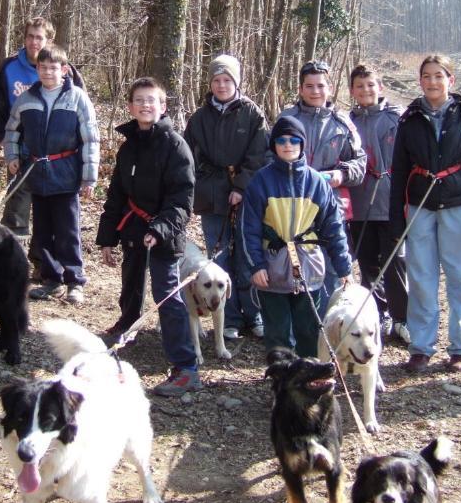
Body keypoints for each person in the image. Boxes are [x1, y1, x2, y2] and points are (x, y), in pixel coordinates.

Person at [96, 77, 198, 397]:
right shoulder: (128, 147)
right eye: (139, 100)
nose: (145, 105)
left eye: (151, 100)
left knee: (167, 295)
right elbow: (116, 195)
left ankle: (186, 367)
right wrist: (107, 237)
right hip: (133, 228)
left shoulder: (175, 146)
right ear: (130, 107)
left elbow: (182, 200)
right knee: (131, 281)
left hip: (165, 234)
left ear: (162, 106)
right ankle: (127, 325)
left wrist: (160, 229)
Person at [389, 55, 461, 373]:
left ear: (451, 80)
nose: (432, 82)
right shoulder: (409, 120)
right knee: (421, 278)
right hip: (420, 206)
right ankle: (421, 347)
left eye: (438, 76)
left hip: (459, 205)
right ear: (420, 81)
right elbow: (400, 171)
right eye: (426, 76)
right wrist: (397, 218)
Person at [0, 17, 84, 279]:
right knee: (16, 211)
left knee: (50, 215)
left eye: (40, 37)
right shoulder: (9, 67)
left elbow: (81, 113)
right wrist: (0, 138)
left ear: (49, 40)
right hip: (22, 152)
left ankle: (43, 266)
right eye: (30, 36)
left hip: (57, 158)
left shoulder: (64, 69)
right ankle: (8, 265)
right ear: (24, 38)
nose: (34, 42)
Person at [240, 115, 353, 357]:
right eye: (281, 140)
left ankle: (310, 378)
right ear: (274, 145)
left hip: (308, 268)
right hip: (272, 268)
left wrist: (344, 268)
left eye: (293, 140)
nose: (287, 145)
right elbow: (248, 229)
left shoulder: (316, 182)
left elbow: (333, 227)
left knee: (309, 328)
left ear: (302, 144)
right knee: (277, 331)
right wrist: (256, 266)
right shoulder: (261, 181)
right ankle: (282, 380)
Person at [3, 45, 99, 305]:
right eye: (42, 67)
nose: (47, 72)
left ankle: (74, 281)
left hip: (66, 174)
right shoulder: (27, 98)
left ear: (64, 70)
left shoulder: (77, 97)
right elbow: (12, 131)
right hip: (37, 174)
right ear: (37, 69)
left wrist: (89, 178)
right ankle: (51, 279)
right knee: (43, 231)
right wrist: (12, 157)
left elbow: (90, 138)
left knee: (68, 231)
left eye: (53, 68)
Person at [184, 54, 268, 340]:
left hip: (247, 197)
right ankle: (228, 317)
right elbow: (189, 157)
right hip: (211, 196)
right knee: (217, 258)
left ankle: (253, 314)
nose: (221, 85)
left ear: (236, 81)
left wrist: (241, 186)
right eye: (217, 80)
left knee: (246, 256)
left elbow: (259, 155)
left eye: (227, 80)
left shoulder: (252, 113)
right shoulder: (199, 117)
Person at [277, 60, 366, 313]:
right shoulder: (287, 119)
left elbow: (360, 163)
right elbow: (268, 158)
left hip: (331, 206)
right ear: (300, 89)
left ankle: (332, 322)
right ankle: (299, 327)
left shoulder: (344, 123)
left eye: (320, 86)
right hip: (292, 205)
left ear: (330, 87)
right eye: (309, 86)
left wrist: (341, 174)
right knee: (293, 267)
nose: (315, 91)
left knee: (331, 267)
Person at [347, 63, 410, 344]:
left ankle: (403, 317)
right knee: (368, 262)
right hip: (360, 204)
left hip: (391, 202)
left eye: (370, 85)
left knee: (395, 261)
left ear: (380, 87)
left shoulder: (397, 118)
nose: (365, 90)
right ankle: (378, 311)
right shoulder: (348, 121)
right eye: (359, 86)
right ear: (351, 91)